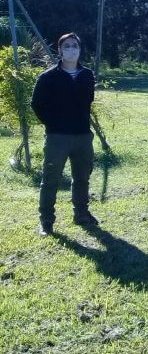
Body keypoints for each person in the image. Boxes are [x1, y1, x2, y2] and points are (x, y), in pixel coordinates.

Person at [31, 33, 97, 236]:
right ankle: (46, 221)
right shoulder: (48, 77)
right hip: (57, 137)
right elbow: (36, 104)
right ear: (60, 50)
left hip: (83, 136)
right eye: (66, 46)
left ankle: (81, 214)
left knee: (82, 177)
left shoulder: (87, 75)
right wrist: (53, 123)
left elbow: (89, 100)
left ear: (80, 49)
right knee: (51, 179)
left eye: (75, 46)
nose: (71, 49)